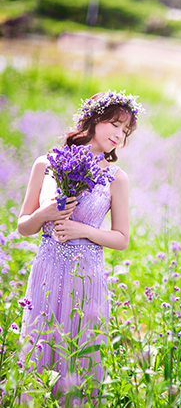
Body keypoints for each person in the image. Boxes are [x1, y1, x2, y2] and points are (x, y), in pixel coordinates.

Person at [17, 90, 142, 398]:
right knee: (40, 348)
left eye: (125, 131)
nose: (119, 135)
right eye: (115, 124)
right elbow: (23, 227)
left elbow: (121, 239)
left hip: (86, 277)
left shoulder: (116, 178)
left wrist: (81, 230)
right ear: (95, 119)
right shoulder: (46, 164)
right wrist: (46, 213)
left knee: (79, 355)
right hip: (47, 270)